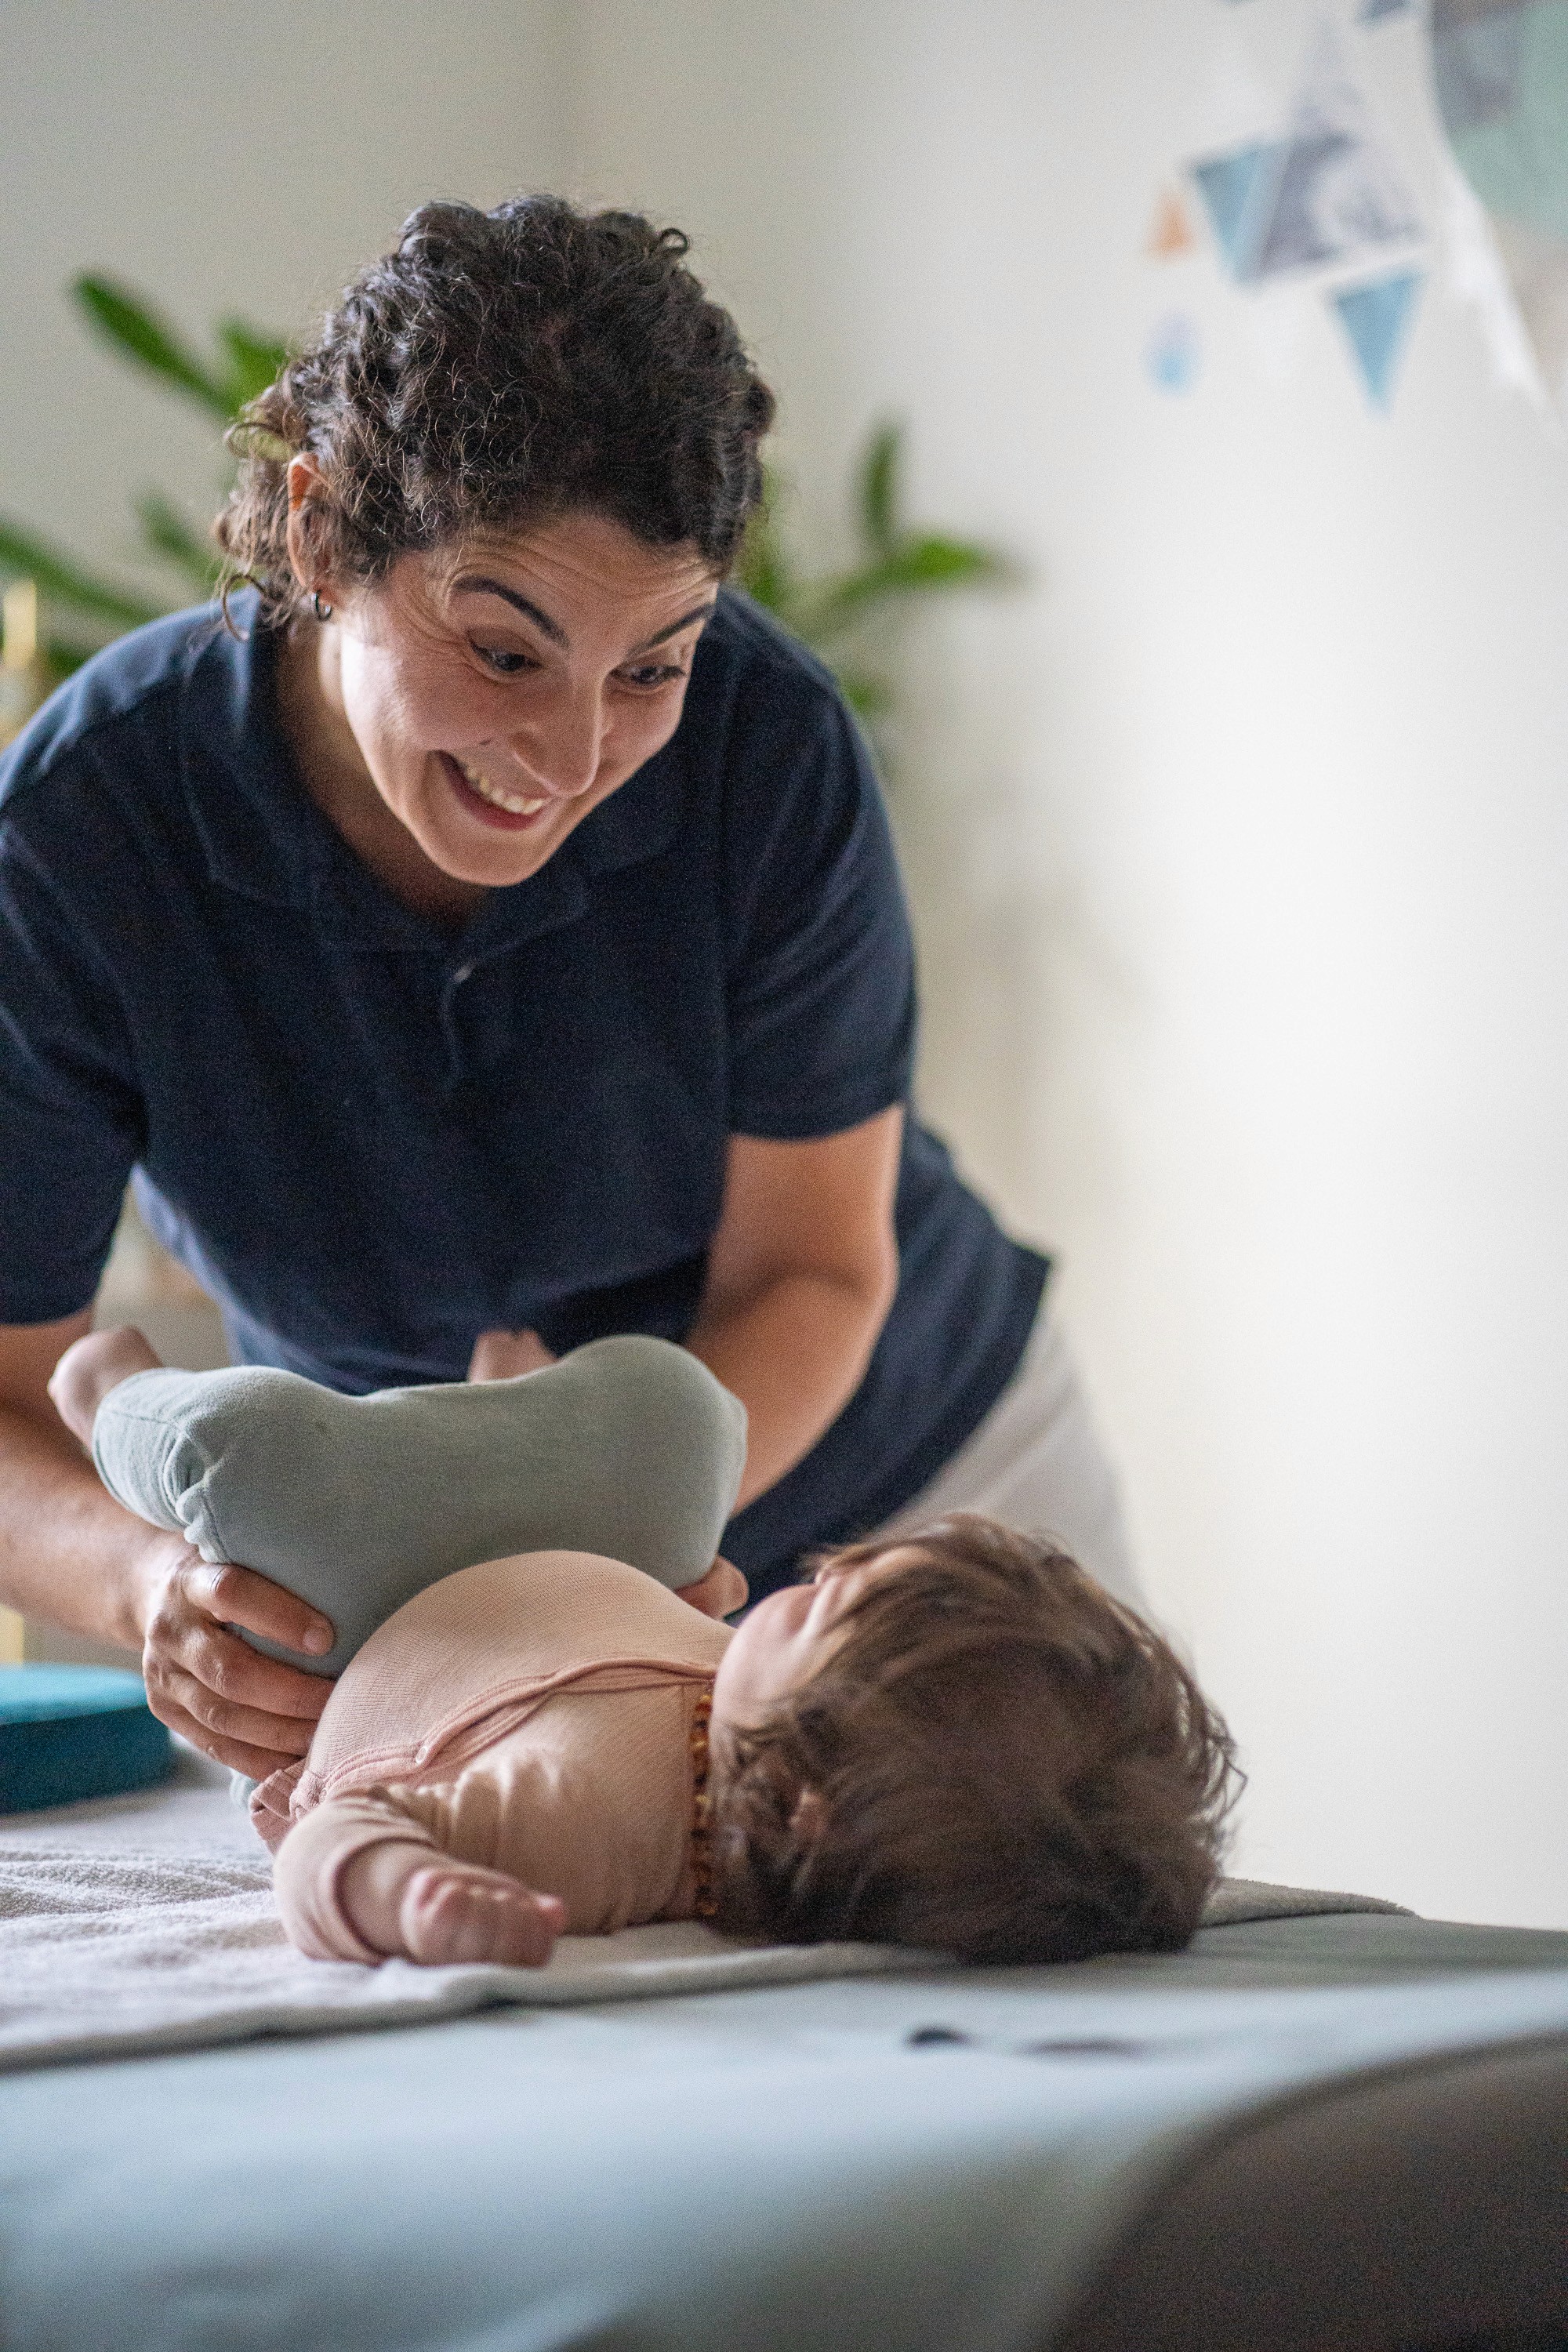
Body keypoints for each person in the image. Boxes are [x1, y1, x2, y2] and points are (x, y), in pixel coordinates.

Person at [0, 194, 1136, 1790]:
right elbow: (8, 1377)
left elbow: (811, 1271)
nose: (573, 754)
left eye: (653, 663)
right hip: (423, 1591)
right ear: (321, 532)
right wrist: (151, 1590)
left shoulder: (771, 750)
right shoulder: (90, 826)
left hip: (910, 1477)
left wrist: (609, 1540)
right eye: (505, 651)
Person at [270, 1519, 1233, 1970]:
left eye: (822, 1606)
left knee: (255, 1458)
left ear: (807, 1800)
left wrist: (399, 1891)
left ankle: (114, 1399)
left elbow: (339, 1829)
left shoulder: (588, 1824)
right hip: (546, 1546)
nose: (813, 1570)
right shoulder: (748, 1720)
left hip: (347, 1617)